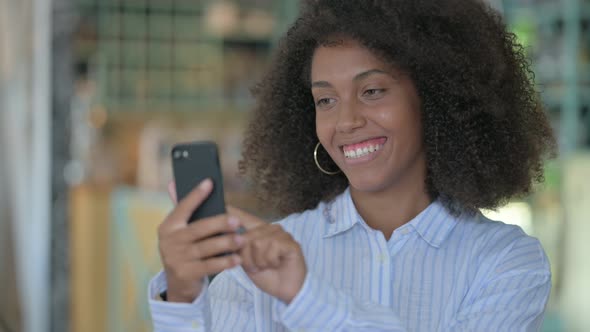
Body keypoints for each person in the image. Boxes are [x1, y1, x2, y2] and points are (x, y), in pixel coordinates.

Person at [148, 0, 557, 330]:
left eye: (373, 91)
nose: (345, 121)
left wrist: (306, 298)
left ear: (436, 100)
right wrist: (184, 298)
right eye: (325, 100)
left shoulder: (507, 263)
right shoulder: (263, 258)